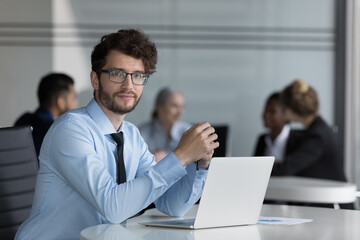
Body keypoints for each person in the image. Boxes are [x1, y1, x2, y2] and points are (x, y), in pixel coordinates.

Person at [15, 29, 219, 240]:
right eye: (117, 73)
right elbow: (113, 207)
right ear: (95, 80)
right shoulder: (70, 130)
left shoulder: (130, 135)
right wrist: (181, 156)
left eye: (137, 76)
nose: (128, 85)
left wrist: (198, 165)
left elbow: (170, 204)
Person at [272, 79, 347, 182]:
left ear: (290, 110)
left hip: (332, 195)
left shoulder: (318, 136)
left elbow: (287, 168)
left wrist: (261, 169)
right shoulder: (318, 129)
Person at [14, 73, 78, 156]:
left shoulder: (23, 120)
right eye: (74, 98)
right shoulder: (56, 131)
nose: (76, 103)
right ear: (60, 102)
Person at [139, 87, 192, 162]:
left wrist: (166, 158)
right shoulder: (144, 131)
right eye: (175, 106)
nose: (180, 112)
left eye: (182, 107)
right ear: (160, 107)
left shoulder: (187, 131)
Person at [253, 92, 291, 162]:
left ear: (286, 115)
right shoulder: (262, 139)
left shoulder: (298, 139)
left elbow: (290, 167)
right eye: (265, 110)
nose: (266, 115)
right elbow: (254, 166)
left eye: (272, 111)